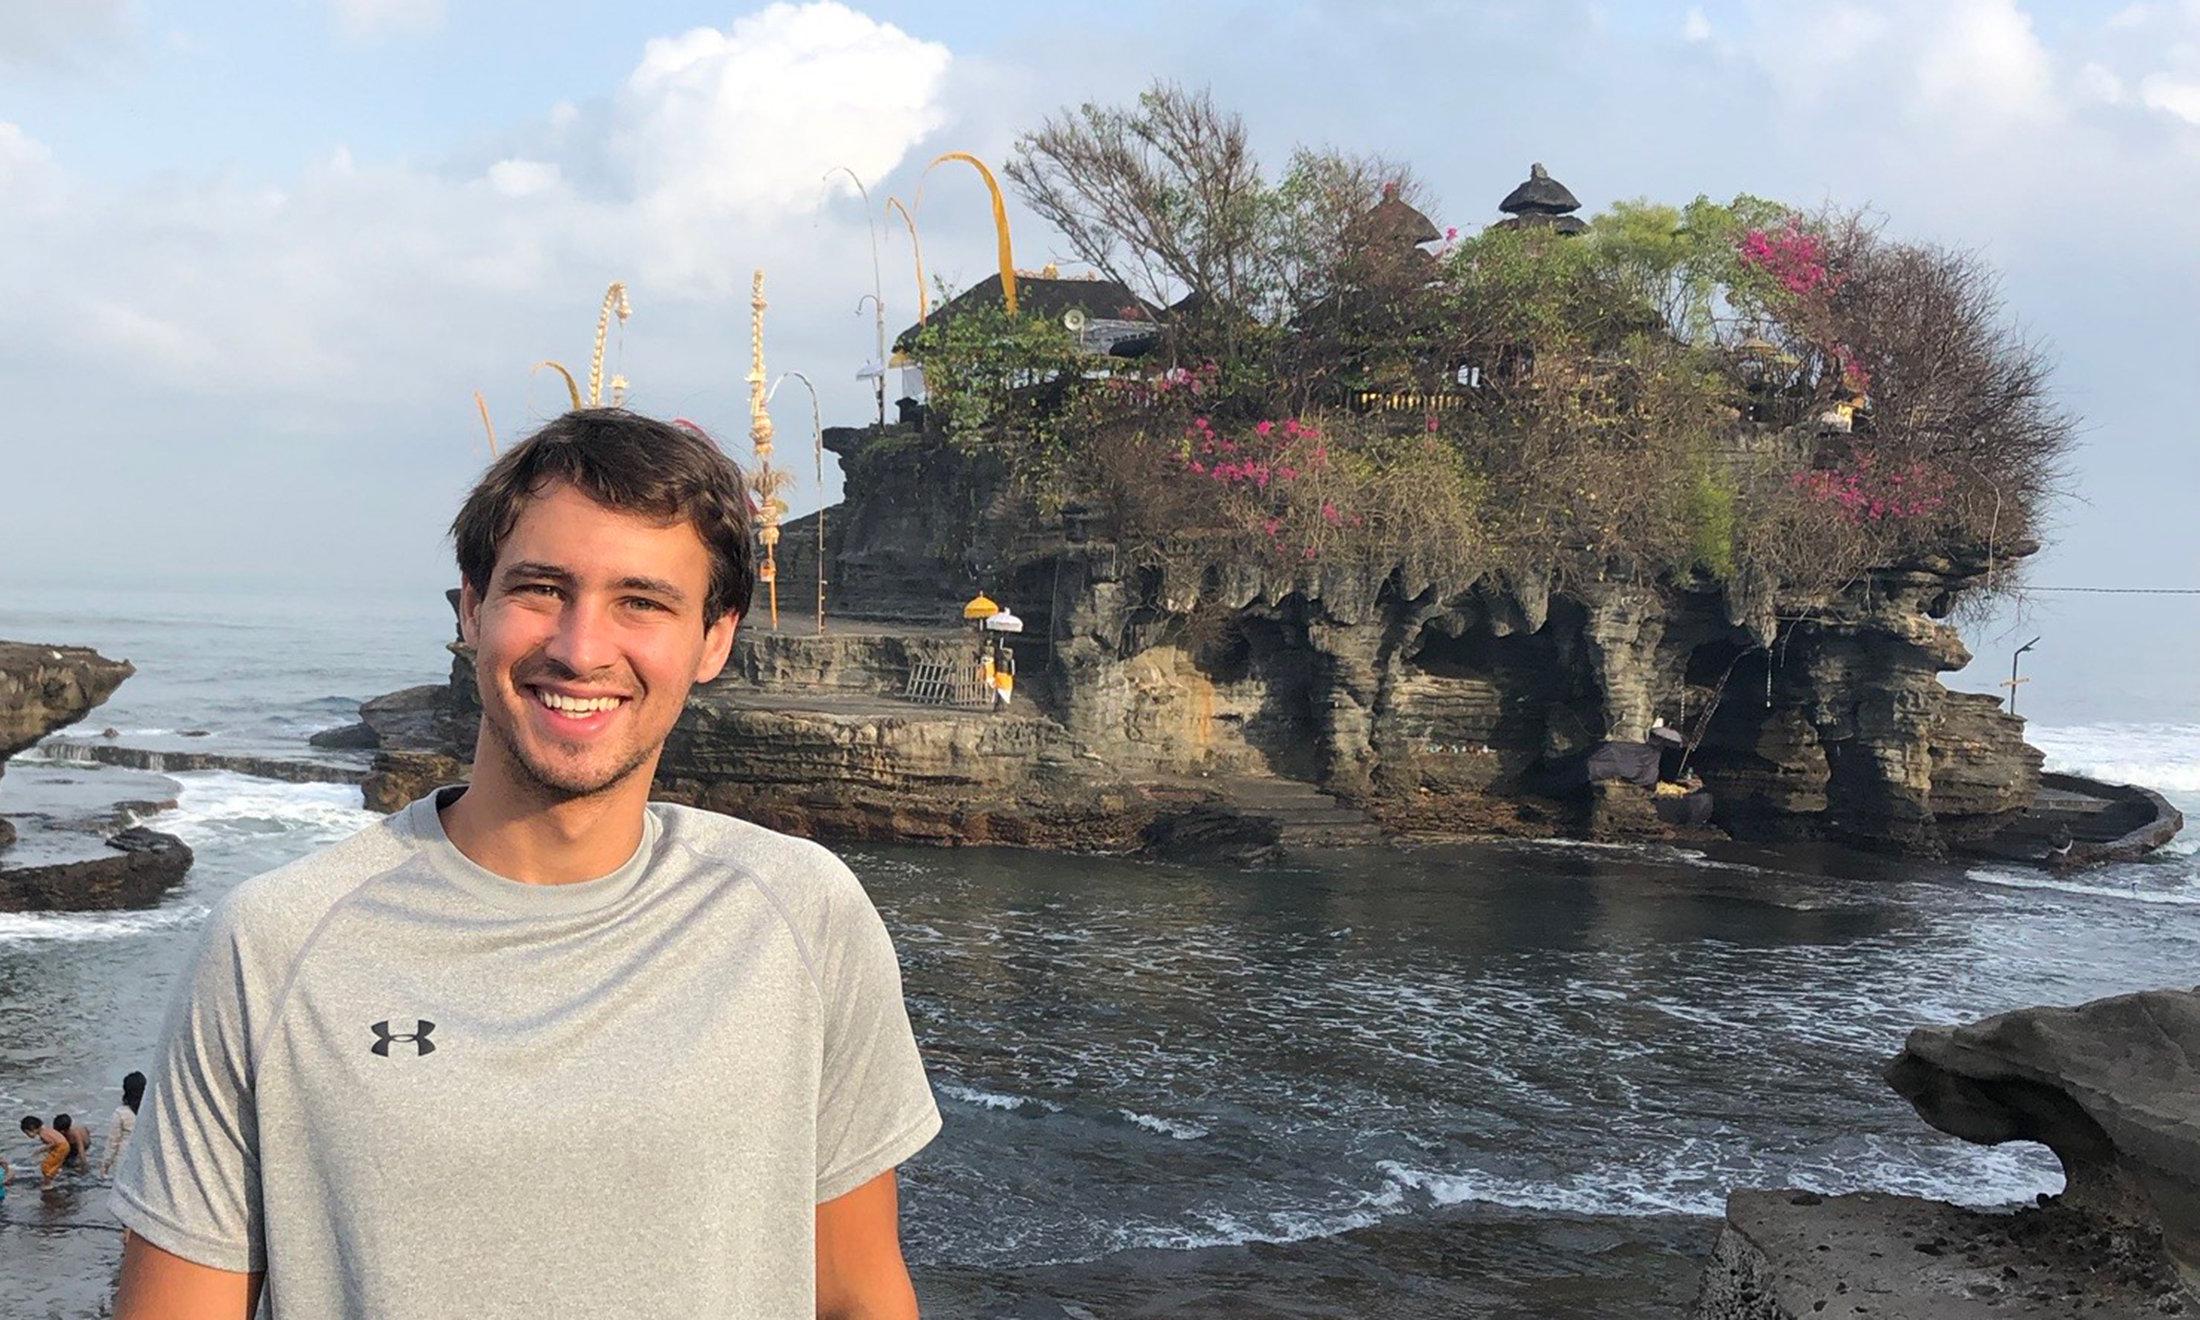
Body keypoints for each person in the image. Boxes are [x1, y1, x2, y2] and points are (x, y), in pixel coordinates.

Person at [112, 410, 941, 1319]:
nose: (583, 649)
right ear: (471, 610)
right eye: (542, 589)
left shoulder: (802, 913)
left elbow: (860, 1293)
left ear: (714, 639)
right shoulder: (272, 945)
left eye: (643, 601)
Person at [99, 1071, 145, 1179]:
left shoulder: (120, 1113)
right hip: (144, 1159)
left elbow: (112, 1143)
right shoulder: (151, 1110)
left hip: (124, 1160)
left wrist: (105, 1165)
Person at [20, 1116, 69, 1188]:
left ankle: (47, 1184)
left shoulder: (43, 1134)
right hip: (64, 1146)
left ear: (32, 1128)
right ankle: (54, 1175)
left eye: (27, 1133)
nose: (28, 1135)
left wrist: (41, 1150)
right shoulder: (46, 1130)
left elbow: (53, 1143)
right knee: (53, 1163)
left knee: (45, 1165)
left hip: (61, 1147)